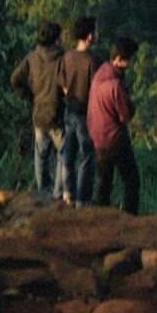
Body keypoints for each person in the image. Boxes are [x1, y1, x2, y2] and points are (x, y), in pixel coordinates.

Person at [10, 21, 65, 201]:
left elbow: (15, 79)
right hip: (57, 114)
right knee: (63, 154)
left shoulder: (31, 58)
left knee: (41, 154)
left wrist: (29, 95)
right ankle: (57, 193)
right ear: (56, 40)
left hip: (39, 113)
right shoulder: (62, 59)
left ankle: (43, 190)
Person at [87, 33, 141, 214]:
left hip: (97, 137)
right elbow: (125, 115)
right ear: (119, 60)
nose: (131, 64)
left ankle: (101, 219)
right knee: (132, 181)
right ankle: (130, 218)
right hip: (115, 139)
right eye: (129, 60)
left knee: (103, 184)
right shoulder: (115, 84)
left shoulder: (100, 73)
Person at [58, 16, 99, 206]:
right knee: (87, 156)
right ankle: (83, 199)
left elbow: (63, 84)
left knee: (69, 154)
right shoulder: (93, 60)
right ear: (90, 35)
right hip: (84, 112)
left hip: (69, 109)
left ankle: (68, 194)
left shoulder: (67, 57)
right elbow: (95, 89)